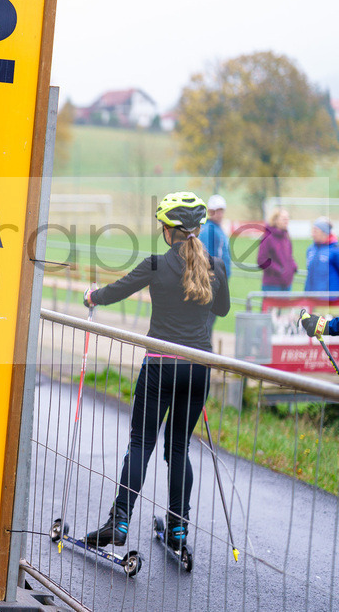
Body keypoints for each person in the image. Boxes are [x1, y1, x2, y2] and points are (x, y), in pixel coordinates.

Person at [82, 192, 230, 554]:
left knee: (140, 444)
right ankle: (179, 529)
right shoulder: (214, 267)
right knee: (178, 448)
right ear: (197, 228)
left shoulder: (154, 264)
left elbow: (116, 292)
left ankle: (118, 522)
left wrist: (92, 297)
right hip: (197, 368)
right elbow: (223, 310)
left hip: (160, 366)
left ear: (168, 230)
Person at [257, 208, 298, 291]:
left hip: (287, 284)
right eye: (283, 218)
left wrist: (293, 266)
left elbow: (289, 256)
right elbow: (261, 260)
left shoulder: (286, 236)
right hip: (272, 285)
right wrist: (279, 270)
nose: (286, 220)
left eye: (287, 218)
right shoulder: (268, 237)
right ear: (275, 220)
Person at [304, 217, 339, 299]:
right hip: (312, 298)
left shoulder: (335, 250)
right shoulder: (310, 249)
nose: (312, 234)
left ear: (324, 233)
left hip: (330, 300)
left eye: (315, 231)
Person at [198, 194, 230, 279]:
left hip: (221, 276)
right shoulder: (208, 229)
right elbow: (207, 256)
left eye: (221, 211)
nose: (219, 214)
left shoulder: (218, 228)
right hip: (214, 277)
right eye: (216, 211)